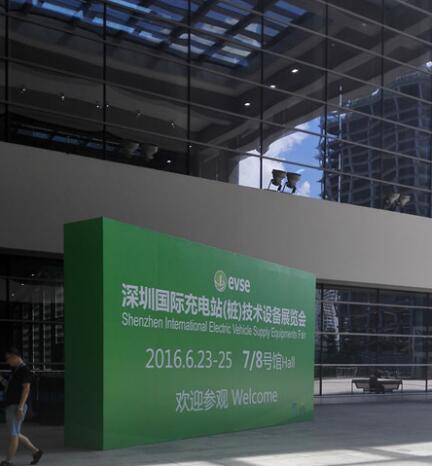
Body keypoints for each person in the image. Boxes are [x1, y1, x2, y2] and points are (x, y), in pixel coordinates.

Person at [0, 348, 43, 466]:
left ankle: (8, 461)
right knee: (16, 433)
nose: (7, 361)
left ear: (15, 356)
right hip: (14, 405)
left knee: (13, 435)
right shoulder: (16, 370)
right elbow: (9, 386)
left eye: (8, 358)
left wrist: (20, 407)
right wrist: (1, 379)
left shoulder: (24, 370)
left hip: (15, 406)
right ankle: (36, 451)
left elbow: (26, 388)